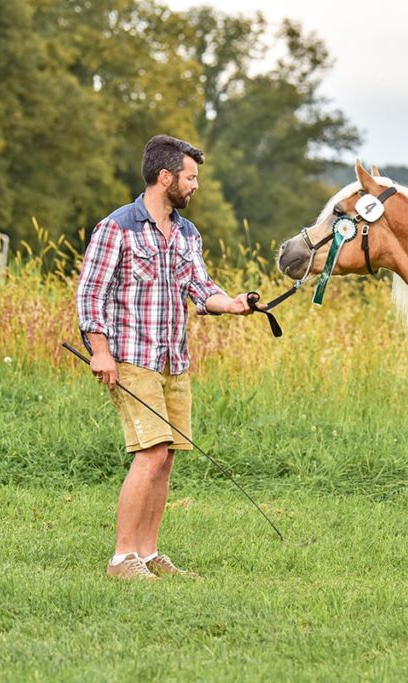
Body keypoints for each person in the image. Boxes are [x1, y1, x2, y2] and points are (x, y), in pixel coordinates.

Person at [76, 134, 260, 580]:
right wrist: (100, 353)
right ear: (165, 178)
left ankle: (149, 551)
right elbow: (90, 296)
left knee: (167, 455)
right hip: (131, 358)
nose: (195, 185)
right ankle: (122, 558)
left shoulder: (186, 233)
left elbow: (201, 288)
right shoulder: (116, 228)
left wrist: (232, 303)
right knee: (152, 452)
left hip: (173, 361)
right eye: (190, 177)